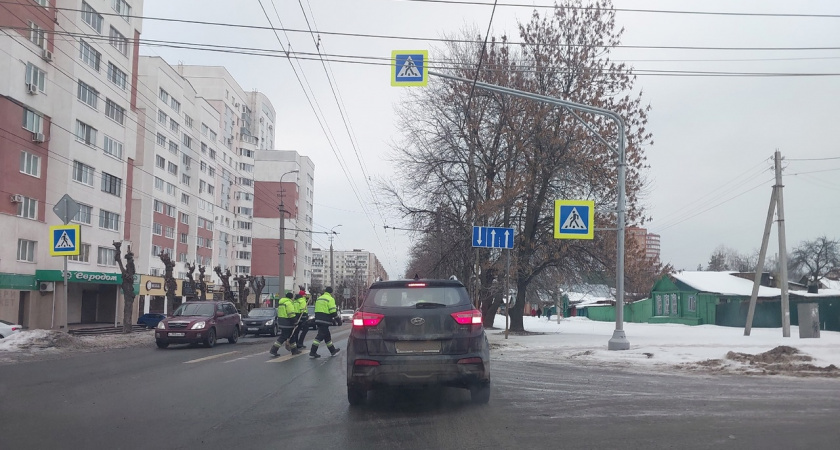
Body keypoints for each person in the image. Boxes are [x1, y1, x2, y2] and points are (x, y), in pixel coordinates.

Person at [309, 286, 341, 358]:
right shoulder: (330, 299)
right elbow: (333, 311)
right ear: (331, 292)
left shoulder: (319, 298)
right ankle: (312, 351)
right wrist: (338, 321)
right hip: (325, 320)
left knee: (327, 337)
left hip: (318, 319)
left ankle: (332, 350)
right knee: (319, 336)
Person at [269, 292, 301, 356]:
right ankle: (273, 350)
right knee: (283, 336)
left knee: (291, 336)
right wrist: (295, 321)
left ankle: (294, 350)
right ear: (291, 297)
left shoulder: (281, 303)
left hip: (281, 321)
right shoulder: (288, 303)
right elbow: (291, 313)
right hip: (287, 322)